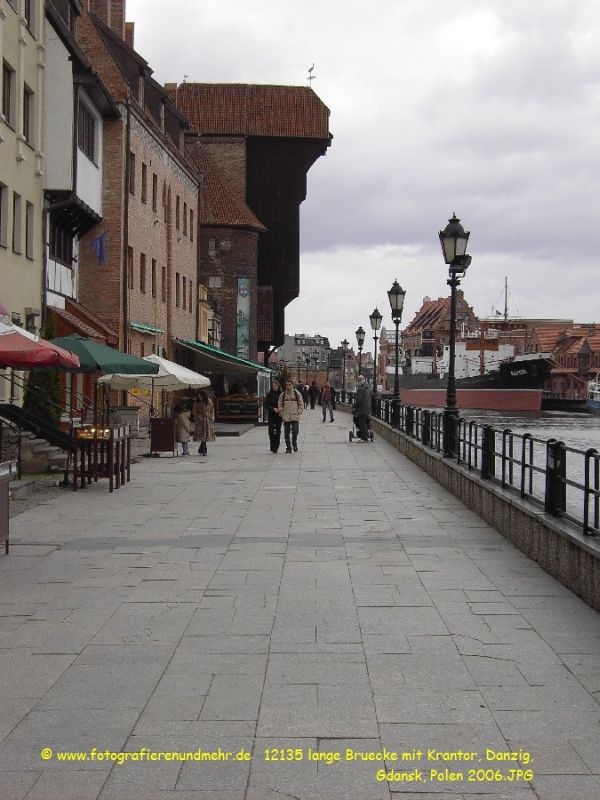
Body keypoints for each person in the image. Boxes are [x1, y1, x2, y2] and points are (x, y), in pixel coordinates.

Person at [278, 379, 304, 453]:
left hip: (295, 415)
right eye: (286, 385)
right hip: (286, 416)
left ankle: (294, 443)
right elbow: (280, 404)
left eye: (289, 385)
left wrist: (299, 410)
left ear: (292, 385)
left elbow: (301, 403)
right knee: (286, 433)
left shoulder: (296, 393)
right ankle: (288, 447)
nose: (288, 386)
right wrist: (281, 412)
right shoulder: (283, 395)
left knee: (295, 431)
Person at [192, 389, 215, 455]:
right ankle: (203, 450)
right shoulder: (197, 402)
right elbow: (194, 411)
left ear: (203, 395)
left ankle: (202, 450)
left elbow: (212, 410)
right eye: (198, 395)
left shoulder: (209, 401)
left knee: (205, 436)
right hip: (200, 421)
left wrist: (212, 416)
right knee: (202, 435)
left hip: (207, 420)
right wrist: (197, 417)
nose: (199, 397)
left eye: (200, 395)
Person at [265, 379, 283, 453]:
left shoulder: (281, 394)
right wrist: (273, 409)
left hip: (279, 415)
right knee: (271, 431)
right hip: (271, 415)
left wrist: (280, 409)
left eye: (276, 386)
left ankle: (276, 446)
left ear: (278, 386)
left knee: (278, 431)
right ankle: (272, 445)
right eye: (273, 386)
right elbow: (266, 405)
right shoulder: (269, 394)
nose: (275, 387)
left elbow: (284, 404)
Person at [353, 375, 372, 441]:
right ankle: (365, 436)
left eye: (358, 380)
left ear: (359, 380)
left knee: (362, 423)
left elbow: (359, 400)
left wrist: (354, 406)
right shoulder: (367, 388)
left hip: (362, 409)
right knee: (365, 422)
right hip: (367, 408)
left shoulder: (360, 389)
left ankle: (364, 438)